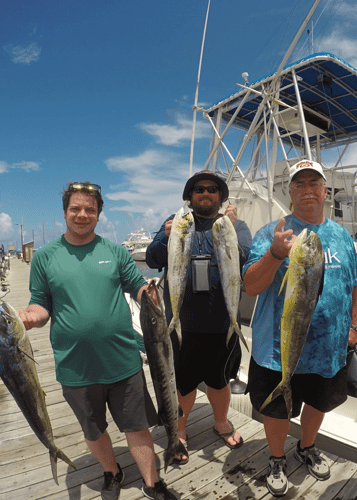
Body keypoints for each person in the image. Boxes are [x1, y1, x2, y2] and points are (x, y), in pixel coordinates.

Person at [17, 182, 175, 500]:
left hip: (123, 361)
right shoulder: (45, 258)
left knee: (137, 426)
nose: (82, 214)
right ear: (65, 213)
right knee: (93, 428)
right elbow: (40, 303)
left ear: (99, 215)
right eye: (75, 208)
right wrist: (32, 316)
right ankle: (112, 471)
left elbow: (136, 286)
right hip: (75, 366)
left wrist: (150, 293)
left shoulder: (115, 252)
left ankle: (152, 482)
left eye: (90, 209)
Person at [242, 160, 357, 497]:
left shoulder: (341, 235)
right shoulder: (272, 232)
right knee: (277, 408)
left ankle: (306, 447)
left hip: (329, 348)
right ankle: (277, 458)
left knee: (319, 404)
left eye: (315, 183)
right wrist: (277, 253)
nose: (308, 190)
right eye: (300, 184)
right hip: (278, 349)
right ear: (290, 192)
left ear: (325, 191)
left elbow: (353, 286)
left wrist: (354, 324)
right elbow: (250, 286)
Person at [145, 171, 252, 464]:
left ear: (221, 196)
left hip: (222, 325)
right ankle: (180, 429)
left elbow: (246, 257)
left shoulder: (236, 225)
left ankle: (220, 422)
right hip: (182, 325)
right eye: (199, 189)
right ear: (189, 197)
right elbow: (153, 258)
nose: (205, 194)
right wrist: (164, 237)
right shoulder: (176, 222)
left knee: (219, 381)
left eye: (212, 189)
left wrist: (228, 228)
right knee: (183, 383)